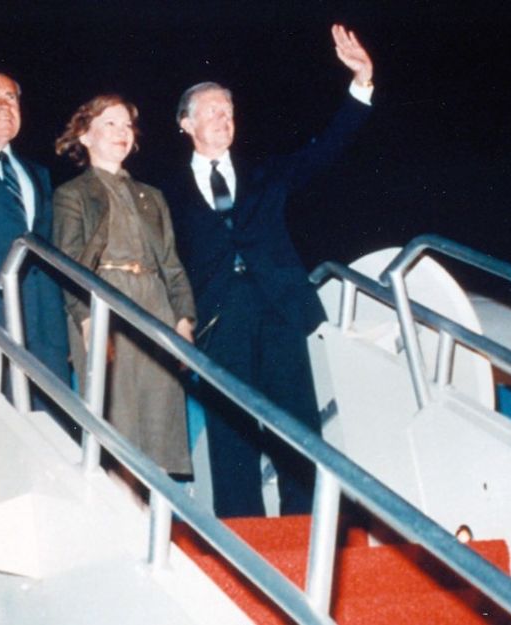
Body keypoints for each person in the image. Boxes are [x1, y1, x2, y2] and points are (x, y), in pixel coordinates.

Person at [160, 24, 375, 517]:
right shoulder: (165, 193)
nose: (224, 118)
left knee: (295, 419)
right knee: (230, 425)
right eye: (212, 111)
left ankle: (305, 521)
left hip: (278, 307)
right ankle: (243, 531)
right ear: (186, 123)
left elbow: (327, 148)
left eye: (229, 111)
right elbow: (163, 262)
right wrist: (178, 317)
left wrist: (361, 82)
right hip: (217, 318)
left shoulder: (267, 172)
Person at [52, 95, 196, 476]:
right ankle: (125, 515)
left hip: (154, 305)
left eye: (127, 126)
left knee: (160, 417)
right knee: (117, 419)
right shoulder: (72, 194)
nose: (121, 133)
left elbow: (171, 263)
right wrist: (85, 319)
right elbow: (68, 264)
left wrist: (184, 319)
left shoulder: (153, 197)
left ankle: (153, 515)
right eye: (110, 124)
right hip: (105, 305)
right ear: (85, 135)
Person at [0, 72, 70, 408]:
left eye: (12, 97)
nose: (5, 104)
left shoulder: (38, 173)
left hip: (46, 331)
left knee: (55, 434)